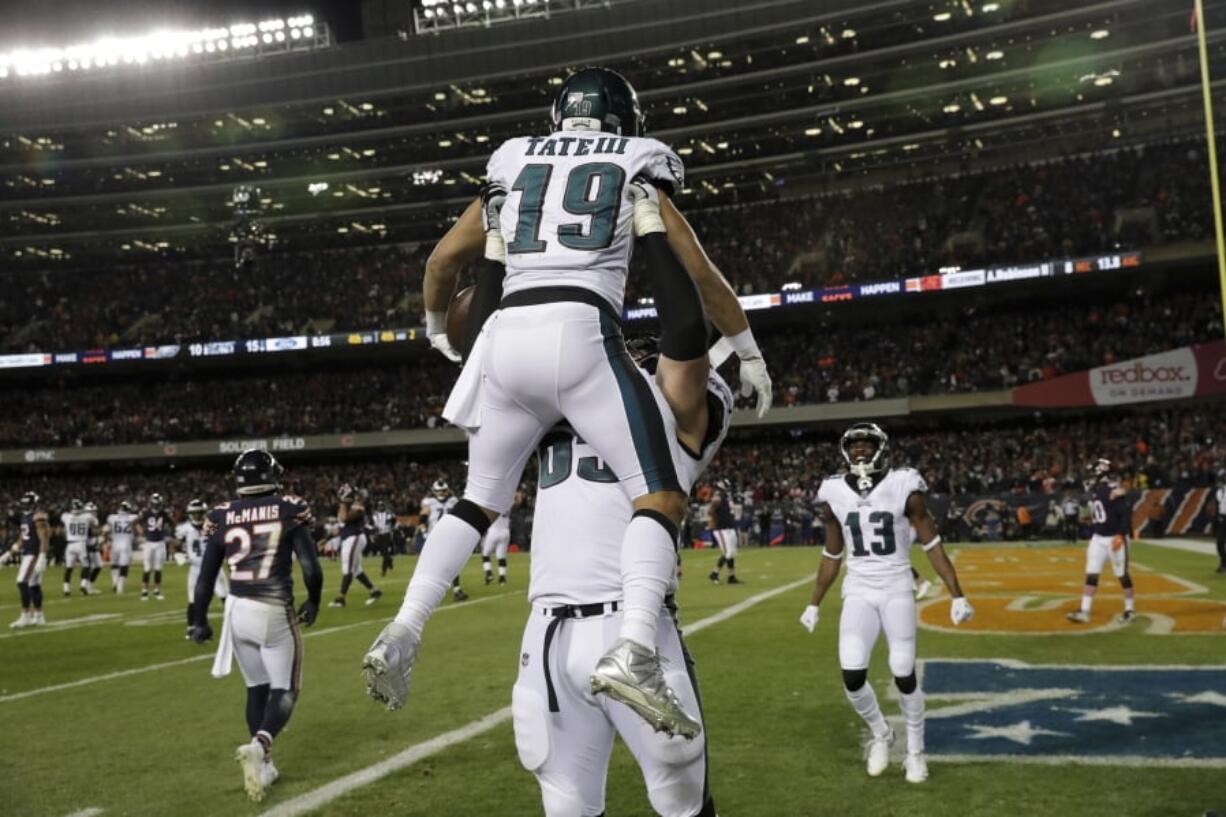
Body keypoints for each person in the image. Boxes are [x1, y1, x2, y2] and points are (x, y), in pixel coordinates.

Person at [362, 66, 770, 741]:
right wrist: (748, 349)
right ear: (624, 120)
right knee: (660, 494)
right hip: (580, 331)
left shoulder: (514, 159)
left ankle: (405, 626)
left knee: (476, 499)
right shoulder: (635, 160)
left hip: (502, 342)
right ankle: (636, 647)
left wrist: (438, 329)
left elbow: (441, 263)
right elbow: (699, 277)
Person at [799, 423, 974, 783]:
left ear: (881, 448)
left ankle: (915, 751)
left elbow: (932, 545)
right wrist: (814, 601)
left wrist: (957, 593)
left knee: (902, 670)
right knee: (851, 673)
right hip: (859, 590)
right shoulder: (832, 491)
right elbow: (832, 552)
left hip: (896, 588)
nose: (860, 450)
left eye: (867, 444)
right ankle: (881, 733)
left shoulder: (905, 486)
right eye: (855, 445)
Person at [188, 449, 322, 802]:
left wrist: (198, 620)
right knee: (286, 689)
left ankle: (265, 765)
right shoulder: (288, 508)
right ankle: (260, 745)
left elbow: (205, 579)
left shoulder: (220, 514)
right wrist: (314, 600)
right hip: (273, 607)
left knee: (256, 688)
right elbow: (311, 567)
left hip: (236, 609)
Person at [1067, 459, 1136, 624]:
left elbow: (1125, 513)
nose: (1089, 478)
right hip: (1098, 538)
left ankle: (1129, 609)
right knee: (1091, 573)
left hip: (1114, 537)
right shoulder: (1097, 491)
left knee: (1121, 574)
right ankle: (1084, 610)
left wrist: (1121, 534)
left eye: (1092, 474)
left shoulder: (1112, 490)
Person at [179, 498, 229, 639]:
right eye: (194, 513)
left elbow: (220, 541)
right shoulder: (185, 528)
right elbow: (175, 543)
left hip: (213, 566)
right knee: (192, 599)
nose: (196, 516)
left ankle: (234, 623)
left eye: (199, 513)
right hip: (195, 568)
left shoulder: (211, 526)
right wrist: (179, 554)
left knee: (225, 596)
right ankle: (191, 628)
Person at [329, 485, 382, 608]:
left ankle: (341, 599)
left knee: (347, 568)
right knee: (357, 570)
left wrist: (343, 503)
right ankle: (374, 591)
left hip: (354, 537)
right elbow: (340, 527)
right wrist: (326, 539)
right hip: (349, 538)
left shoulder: (356, 505)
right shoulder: (346, 506)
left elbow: (345, 518)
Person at [419, 480, 468, 602]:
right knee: (435, 566)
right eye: (439, 491)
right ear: (434, 491)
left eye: (443, 491)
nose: (441, 493)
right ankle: (427, 592)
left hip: (450, 535)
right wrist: (424, 532)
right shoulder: (429, 502)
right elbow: (422, 519)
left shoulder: (453, 501)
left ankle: (456, 590)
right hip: (434, 536)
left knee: (452, 563)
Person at [10, 491, 49, 629]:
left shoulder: (38, 516)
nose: (25, 505)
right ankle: (39, 616)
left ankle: (25, 616)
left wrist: (42, 555)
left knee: (22, 582)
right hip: (28, 552)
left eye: (28, 503)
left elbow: (43, 536)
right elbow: (24, 536)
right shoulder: (25, 516)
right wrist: (10, 552)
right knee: (33, 585)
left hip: (33, 554)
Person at [139, 493, 173, 601]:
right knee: (147, 568)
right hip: (149, 542)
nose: (156, 506)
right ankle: (144, 591)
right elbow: (136, 522)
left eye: (157, 504)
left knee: (158, 568)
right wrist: (140, 531)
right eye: (155, 504)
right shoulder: (146, 513)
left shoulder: (164, 513)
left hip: (159, 543)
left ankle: (157, 590)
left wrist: (169, 534)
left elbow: (172, 523)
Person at [707, 480, 741, 585]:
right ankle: (714, 574)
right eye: (728, 486)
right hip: (722, 529)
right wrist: (716, 521)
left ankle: (731, 577)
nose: (729, 488)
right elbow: (710, 510)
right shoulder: (718, 496)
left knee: (731, 553)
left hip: (730, 527)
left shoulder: (727, 497)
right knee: (728, 553)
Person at [61, 498, 95, 597]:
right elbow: (95, 523)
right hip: (81, 544)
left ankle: (66, 589)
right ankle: (83, 584)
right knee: (86, 566)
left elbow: (63, 515)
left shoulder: (66, 516)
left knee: (69, 568)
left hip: (70, 545)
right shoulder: (87, 516)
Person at [105, 500, 138, 593]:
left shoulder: (112, 518)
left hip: (115, 543)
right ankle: (120, 587)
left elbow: (106, 530)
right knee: (124, 566)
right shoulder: (132, 517)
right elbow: (138, 528)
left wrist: (106, 538)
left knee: (114, 564)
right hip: (126, 544)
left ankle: (115, 582)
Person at [480, 512, 512, 585]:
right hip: (505, 531)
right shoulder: (508, 505)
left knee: (485, 554)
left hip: (494, 530)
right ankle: (502, 578)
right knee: (501, 556)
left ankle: (489, 574)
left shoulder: (496, 504)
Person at [371, 499, 398, 577]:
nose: (380, 507)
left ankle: (383, 570)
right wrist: (374, 531)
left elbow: (394, 520)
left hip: (387, 533)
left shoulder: (389, 513)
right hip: (379, 534)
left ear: (384, 506)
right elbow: (374, 523)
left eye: (382, 506)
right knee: (382, 551)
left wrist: (392, 527)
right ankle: (390, 560)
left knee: (385, 552)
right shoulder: (375, 514)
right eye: (379, 506)